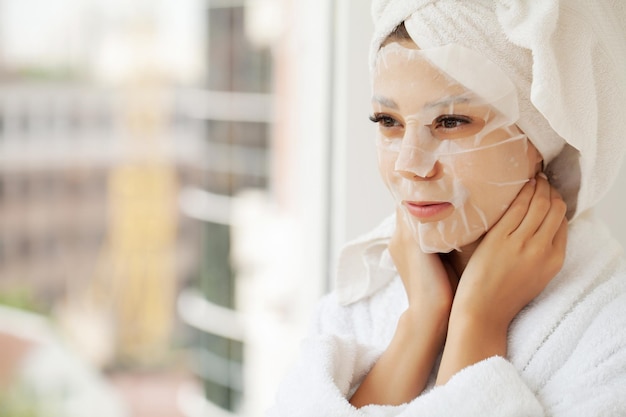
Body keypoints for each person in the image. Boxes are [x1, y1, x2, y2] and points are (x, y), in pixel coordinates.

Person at [267, 0, 626, 415]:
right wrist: (421, 320)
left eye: (451, 122)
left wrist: (477, 322)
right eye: (388, 121)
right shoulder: (359, 302)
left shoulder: (612, 334)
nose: (408, 164)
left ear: (545, 133)